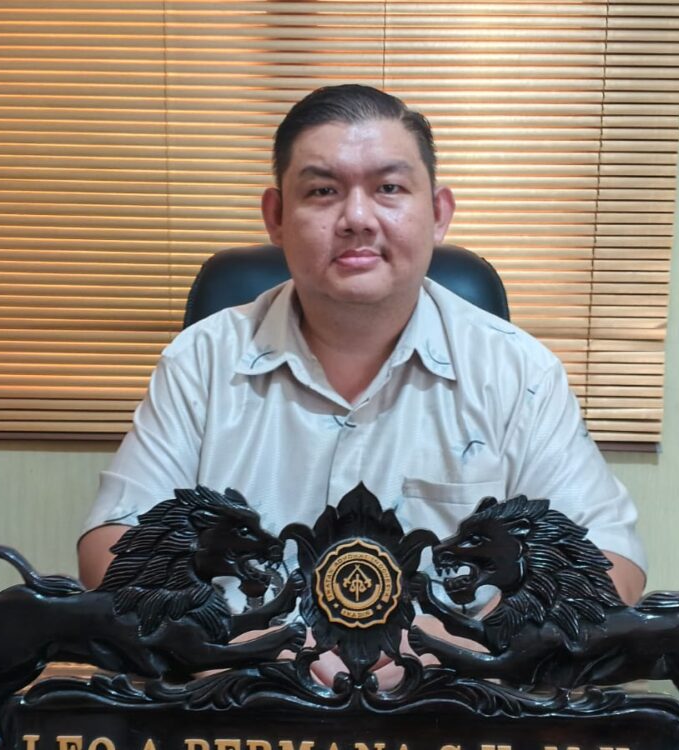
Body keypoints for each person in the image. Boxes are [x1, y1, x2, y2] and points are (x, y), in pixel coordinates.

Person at [77, 85, 646, 607]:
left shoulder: (518, 373)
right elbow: (111, 547)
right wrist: (256, 642)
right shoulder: (200, 363)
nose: (356, 218)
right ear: (276, 217)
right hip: (235, 680)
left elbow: (611, 565)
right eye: (322, 191)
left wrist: (451, 641)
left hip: (453, 684)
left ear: (438, 214)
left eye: (389, 188)